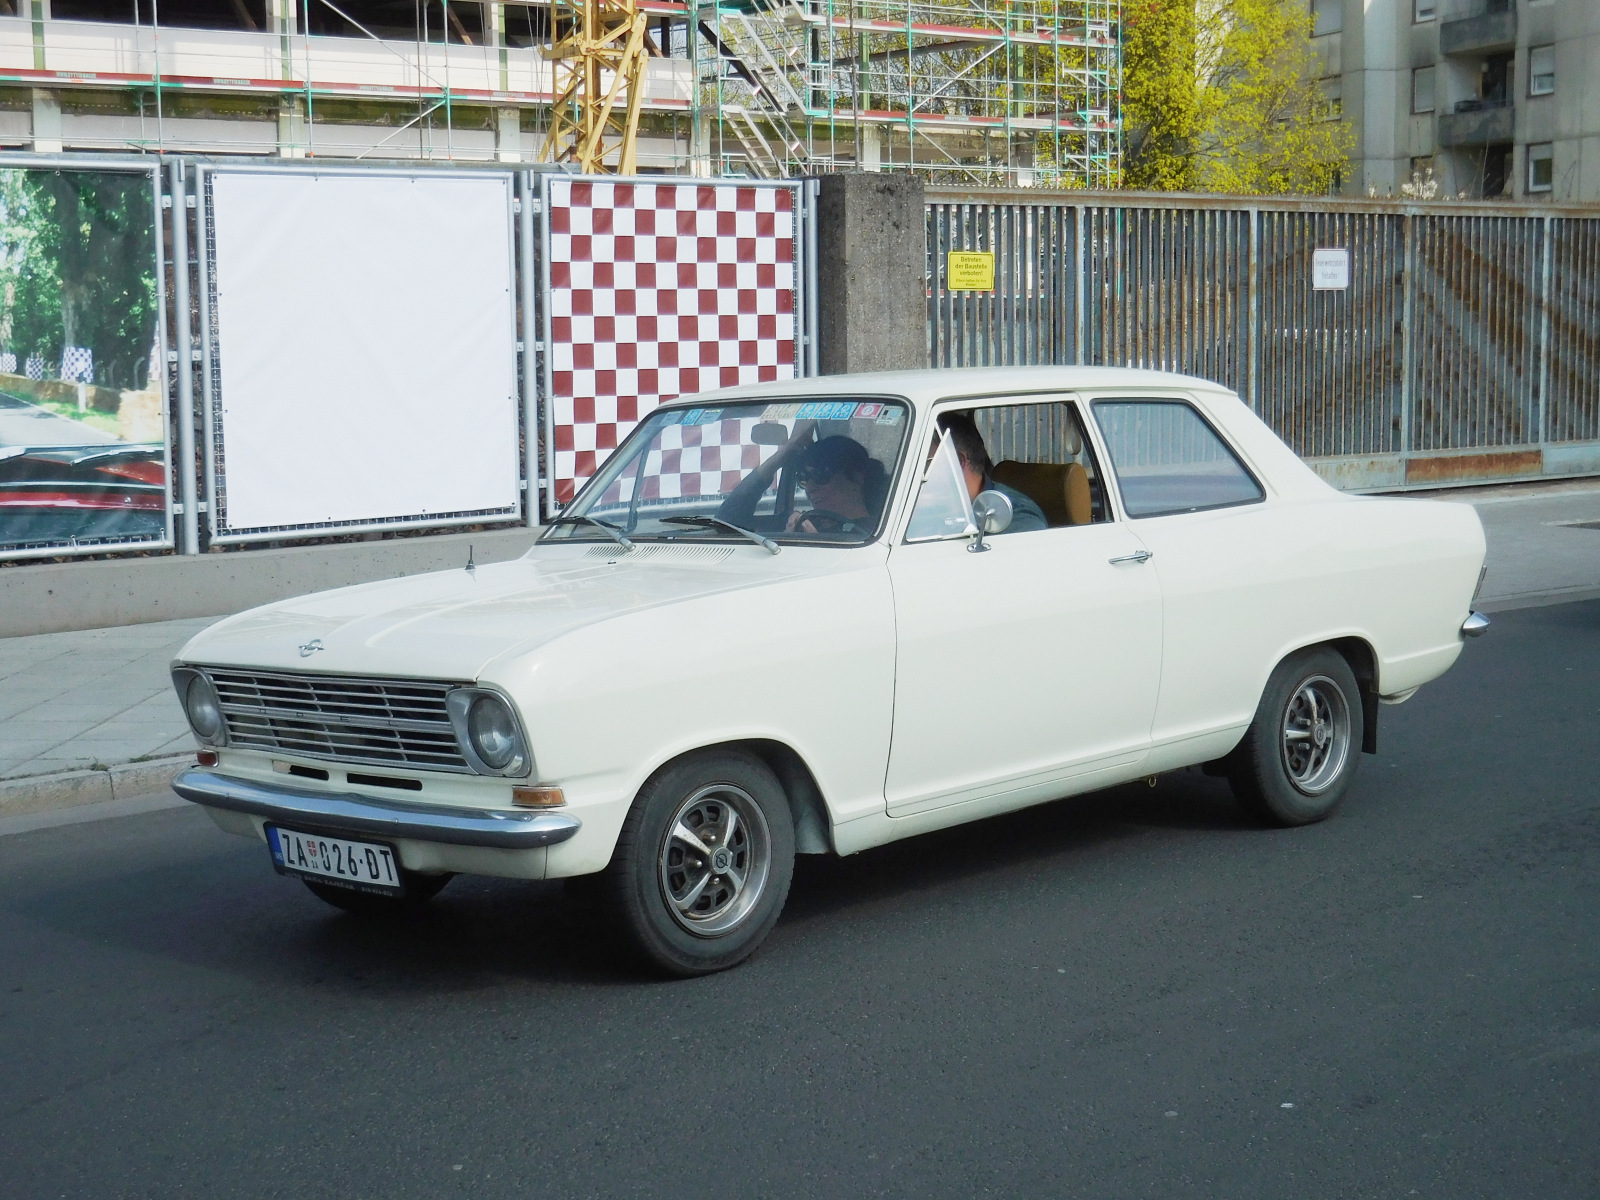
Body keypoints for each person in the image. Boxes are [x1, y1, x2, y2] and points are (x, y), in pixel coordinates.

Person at [936, 412, 1048, 534]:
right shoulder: (947, 509)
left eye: (928, 464)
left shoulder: (1016, 517)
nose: (923, 476)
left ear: (957, 461)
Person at [788, 435, 889, 536]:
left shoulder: (879, 532)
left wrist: (815, 539)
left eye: (820, 475)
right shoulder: (806, 523)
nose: (809, 488)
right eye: (803, 478)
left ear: (857, 476)